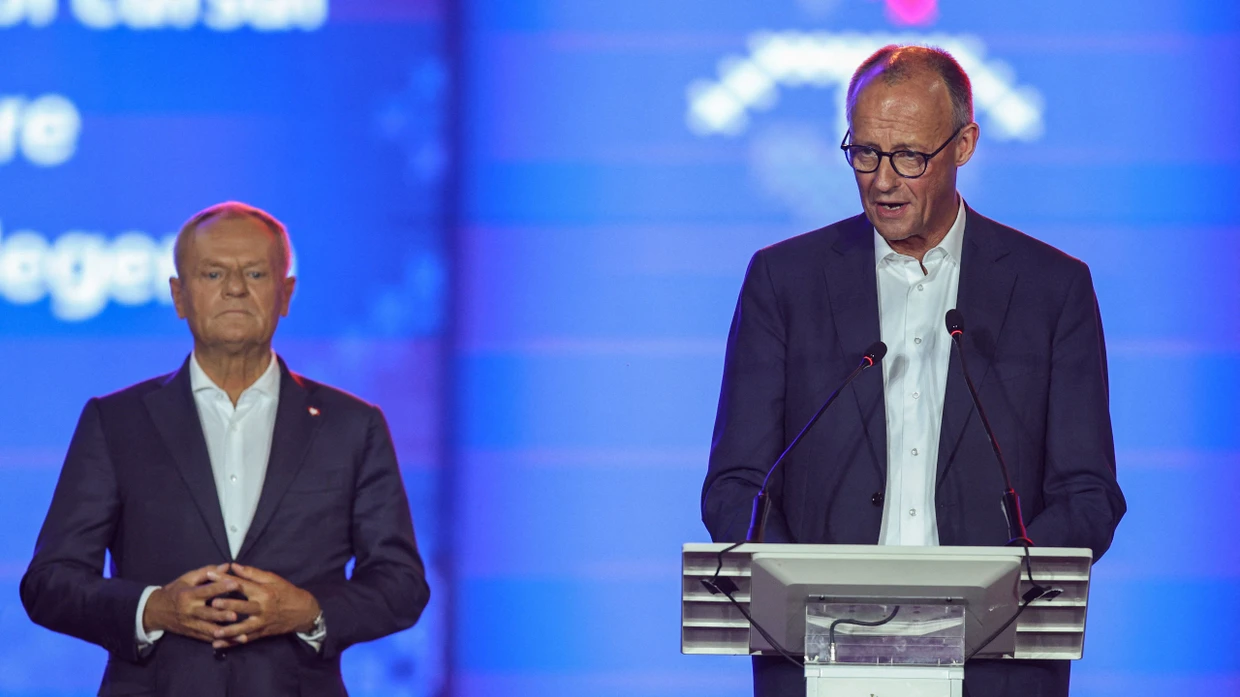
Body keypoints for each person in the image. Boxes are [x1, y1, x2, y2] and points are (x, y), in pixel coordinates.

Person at [701, 45, 1126, 697]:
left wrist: (996, 591)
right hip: (819, 663)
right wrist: (803, 597)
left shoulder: (1051, 290)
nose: (881, 179)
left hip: (994, 666)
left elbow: (1089, 494)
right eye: (864, 152)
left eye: (909, 156)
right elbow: (736, 484)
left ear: (964, 145)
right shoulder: (784, 282)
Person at [21, 202, 429, 696]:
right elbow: (49, 582)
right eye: (213, 272)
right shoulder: (116, 422)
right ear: (179, 295)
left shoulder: (352, 426)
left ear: (286, 293)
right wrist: (153, 609)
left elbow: (401, 584)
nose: (235, 288)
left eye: (255, 273)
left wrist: (309, 612)